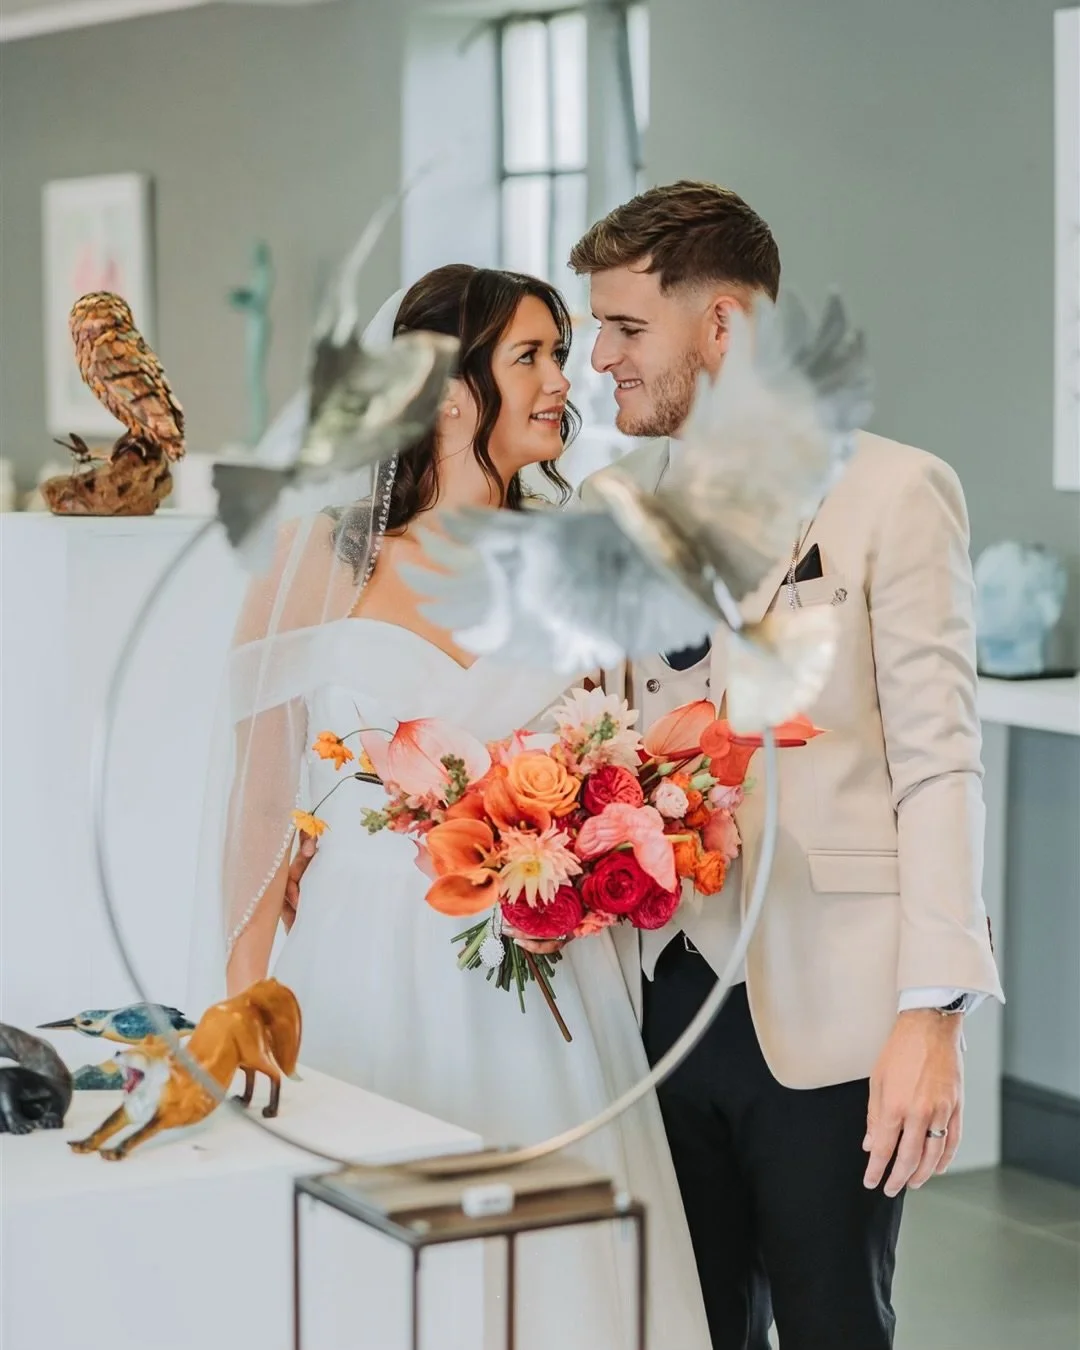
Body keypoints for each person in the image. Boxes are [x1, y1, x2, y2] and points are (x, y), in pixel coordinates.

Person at [199, 264, 712, 1350]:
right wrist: (243, 998)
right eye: (528, 355)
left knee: (554, 1268)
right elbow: (258, 796)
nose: (559, 381)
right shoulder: (317, 554)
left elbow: (626, 749)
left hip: (544, 978)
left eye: (562, 355)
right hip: (364, 959)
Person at [566, 181, 1004, 1348]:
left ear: (724, 327)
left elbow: (940, 766)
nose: (596, 356)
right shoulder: (606, 508)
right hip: (649, 1000)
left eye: (624, 326)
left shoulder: (892, 493)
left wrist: (935, 1014)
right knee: (682, 1327)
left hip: (832, 1009)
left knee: (830, 1328)